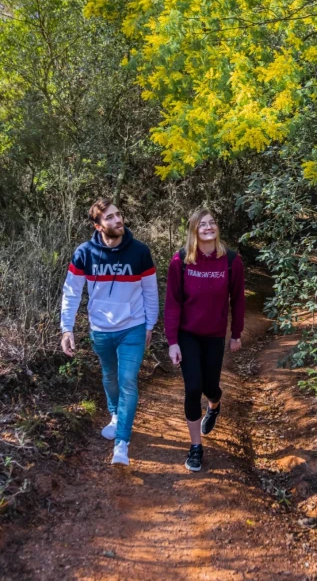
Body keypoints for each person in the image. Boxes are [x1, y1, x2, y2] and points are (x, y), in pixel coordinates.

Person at [60, 198, 159, 466]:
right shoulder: (84, 253)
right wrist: (66, 328)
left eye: (119, 215)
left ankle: (122, 444)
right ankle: (115, 415)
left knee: (128, 380)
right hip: (101, 328)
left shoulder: (140, 251)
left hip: (133, 327)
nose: (118, 220)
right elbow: (71, 292)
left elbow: (150, 290)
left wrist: (150, 324)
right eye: (110, 217)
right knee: (110, 375)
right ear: (98, 225)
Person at [165, 207, 245, 472]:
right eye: (202, 224)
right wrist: (172, 341)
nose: (208, 227)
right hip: (187, 335)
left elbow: (239, 300)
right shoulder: (181, 260)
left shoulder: (231, 260)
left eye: (212, 223)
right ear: (194, 230)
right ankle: (196, 447)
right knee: (192, 388)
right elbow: (173, 303)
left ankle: (215, 405)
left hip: (214, 335)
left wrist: (236, 334)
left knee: (210, 387)